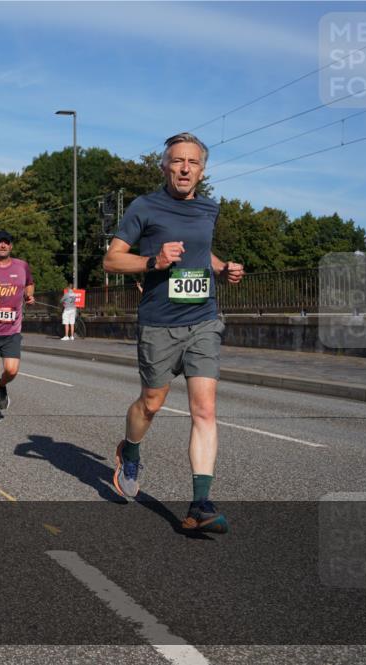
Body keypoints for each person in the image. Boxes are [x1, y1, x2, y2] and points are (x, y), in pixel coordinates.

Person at [103, 132, 244, 533]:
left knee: (205, 409)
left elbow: (200, 252)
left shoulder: (209, 208)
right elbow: (112, 260)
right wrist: (154, 261)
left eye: (192, 162)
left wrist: (221, 268)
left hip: (204, 319)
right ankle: (130, 451)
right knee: (151, 404)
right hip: (159, 323)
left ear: (202, 169)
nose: (185, 168)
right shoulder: (144, 206)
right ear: (164, 166)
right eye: (177, 161)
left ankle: (200, 504)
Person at [0, 230, 35, 423]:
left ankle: (1, 386)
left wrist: (29, 295)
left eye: (7, 242)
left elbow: (29, 284)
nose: (3, 245)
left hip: (12, 329)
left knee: (11, 370)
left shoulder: (22, 266)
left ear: (11, 245)